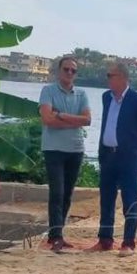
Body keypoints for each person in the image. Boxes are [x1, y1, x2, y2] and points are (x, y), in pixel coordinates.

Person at [88, 63, 137, 255]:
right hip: (108, 154)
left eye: (111, 75)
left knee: (129, 198)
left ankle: (128, 242)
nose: (108, 79)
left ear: (123, 77)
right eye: (107, 75)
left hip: (129, 157)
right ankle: (105, 239)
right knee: (106, 199)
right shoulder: (106, 97)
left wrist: (133, 145)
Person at [39, 56, 92, 253]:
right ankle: (55, 236)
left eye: (73, 70)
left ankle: (59, 233)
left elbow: (87, 120)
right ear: (59, 70)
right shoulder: (48, 91)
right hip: (53, 149)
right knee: (57, 192)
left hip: (75, 149)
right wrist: (74, 121)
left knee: (68, 194)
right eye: (66, 69)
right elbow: (47, 119)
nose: (69, 73)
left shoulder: (82, 94)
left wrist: (61, 115)